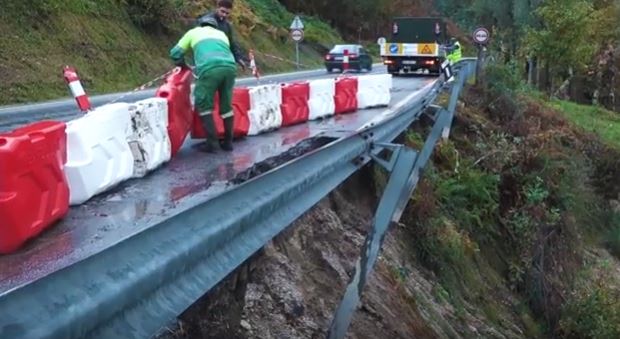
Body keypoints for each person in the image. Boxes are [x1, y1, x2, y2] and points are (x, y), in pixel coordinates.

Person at [169, 16, 237, 152]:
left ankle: (213, 145)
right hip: (230, 68)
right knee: (226, 105)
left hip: (209, 69)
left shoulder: (193, 32)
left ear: (200, 24)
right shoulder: (221, 34)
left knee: (203, 103)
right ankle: (228, 143)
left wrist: (183, 65)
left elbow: (175, 53)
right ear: (215, 27)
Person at [196, 0, 247, 71]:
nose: (224, 15)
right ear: (217, 8)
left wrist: (238, 58)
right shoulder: (206, 21)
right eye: (222, 11)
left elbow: (231, 42)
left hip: (221, 59)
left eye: (227, 13)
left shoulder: (227, 25)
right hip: (206, 58)